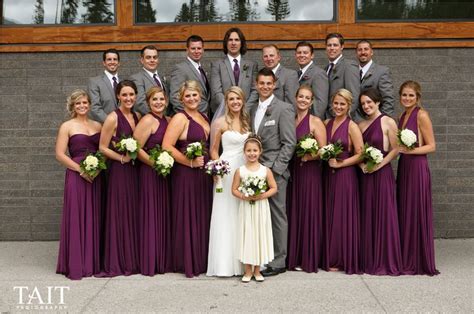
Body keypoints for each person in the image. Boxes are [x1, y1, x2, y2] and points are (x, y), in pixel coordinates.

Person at [247, 68, 296, 276]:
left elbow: (289, 143)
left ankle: (279, 261)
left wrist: (274, 171)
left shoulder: (283, 108)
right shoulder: (251, 109)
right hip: (253, 170)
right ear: (256, 85)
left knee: (277, 215)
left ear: (274, 84)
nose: (265, 87)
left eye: (269, 83)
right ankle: (260, 257)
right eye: (261, 83)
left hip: (274, 172)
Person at [162, 80, 213, 278]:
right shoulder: (179, 118)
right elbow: (167, 146)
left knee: (202, 212)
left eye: (195, 95)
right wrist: (188, 162)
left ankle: (201, 258)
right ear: (181, 99)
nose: (192, 99)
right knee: (188, 213)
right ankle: (188, 260)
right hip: (186, 173)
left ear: (200, 96)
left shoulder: (203, 116)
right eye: (187, 96)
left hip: (203, 174)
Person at [55, 89, 102, 280]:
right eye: (78, 103)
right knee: (78, 215)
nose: (82, 106)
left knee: (94, 215)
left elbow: (103, 150)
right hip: (77, 174)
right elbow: (59, 154)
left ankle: (93, 261)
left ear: (90, 104)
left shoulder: (98, 125)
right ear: (72, 106)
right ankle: (77, 263)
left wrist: (97, 168)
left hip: (97, 175)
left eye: (85, 103)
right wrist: (81, 170)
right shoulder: (67, 126)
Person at [358, 88, 403, 275]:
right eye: (363, 103)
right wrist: (362, 164)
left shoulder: (387, 121)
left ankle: (385, 259)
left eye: (369, 102)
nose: (366, 106)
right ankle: (368, 258)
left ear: (377, 102)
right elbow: (359, 151)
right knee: (367, 214)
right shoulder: (360, 125)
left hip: (382, 174)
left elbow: (396, 148)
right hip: (365, 175)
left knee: (383, 214)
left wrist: (380, 164)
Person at [207, 86, 250, 277]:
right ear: (226, 101)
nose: (235, 102)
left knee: (243, 214)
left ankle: (244, 262)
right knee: (226, 214)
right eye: (231, 99)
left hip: (246, 170)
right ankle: (225, 263)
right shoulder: (220, 122)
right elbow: (214, 149)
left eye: (238, 99)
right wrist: (217, 167)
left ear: (242, 101)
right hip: (227, 170)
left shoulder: (247, 122)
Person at [397, 81, 439, 276]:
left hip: (417, 167)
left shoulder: (421, 115)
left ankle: (418, 259)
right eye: (404, 95)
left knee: (415, 209)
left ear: (418, 97)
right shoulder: (401, 116)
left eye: (411, 96)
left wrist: (410, 151)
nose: (407, 99)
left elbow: (431, 146)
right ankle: (406, 256)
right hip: (404, 167)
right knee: (405, 210)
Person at [99, 80, 141, 276]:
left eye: (131, 94)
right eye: (124, 95)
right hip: (119, 171)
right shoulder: (112, 118)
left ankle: (133, 257)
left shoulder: (138, 116)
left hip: (136, 170)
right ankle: (119, 259)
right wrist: (122, 158)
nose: (128, 98)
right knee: (121, 212)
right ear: (118, 96)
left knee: (134, 211)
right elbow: (103, 147)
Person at [287, 85, 327, 273]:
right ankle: (294, 256)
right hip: (293, 172)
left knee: (309, 211)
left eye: (307, 98)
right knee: (295, 211)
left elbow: (324, 149)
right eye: (300, 96)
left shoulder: (316, 121)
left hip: (310, 173)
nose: (303, 100)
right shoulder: (291, 119)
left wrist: (309, 156)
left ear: (311, 102)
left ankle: (308, 258)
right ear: (296, 99)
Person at [323, 88, 363, 274]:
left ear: (348, 106)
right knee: (330, 215)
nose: (338, 107)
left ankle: (343, 257)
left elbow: (361, 154)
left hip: (345, 176)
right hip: (328, 176)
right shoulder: (326, 123)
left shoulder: (351, 126)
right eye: (336, 103)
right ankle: (331, 256)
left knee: (342, 216)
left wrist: (341, 164)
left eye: (342, 104)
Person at [133, 86, 172, 276]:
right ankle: (149, 259)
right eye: (154, 100)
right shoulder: (147, 120)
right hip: (149, 173)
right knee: (150, 214)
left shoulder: (168, 120)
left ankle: (161, 258)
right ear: (148, 102)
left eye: (161, 99)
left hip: (164, 175)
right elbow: (136, 148)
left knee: (161, 213)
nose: (158, 103)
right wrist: (155, 163)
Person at [232, 135, 277, 282]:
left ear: (260, 152)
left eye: (255, 150)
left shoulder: (265, 170)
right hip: (246, 208)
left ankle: (257, 270)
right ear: (244, 152)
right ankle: (247, 271)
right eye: (249, 150)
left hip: (260, 208)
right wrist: (245, 196)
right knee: (247, 235)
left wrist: (262, 195)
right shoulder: (240, 171)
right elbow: (234, 190)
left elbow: (273, 188)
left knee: (259, 236)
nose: (252, 153)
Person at [210, 27, 258, 114]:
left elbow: (255, 91)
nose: (233, 43)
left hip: (246, 114)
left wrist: (244, 109)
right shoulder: (217, 65)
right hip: (224, 114)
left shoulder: (252, 65)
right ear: (226, 43)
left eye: (237, 40)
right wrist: (230, 108)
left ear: (241, 43)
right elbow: (216, 92)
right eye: (230, 40)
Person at [169, 35, 210, 115]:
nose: (196, 51)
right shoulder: (180, 68)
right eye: (193, 48)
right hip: (191, 119)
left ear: (203, 50)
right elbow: (175, 97)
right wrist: (190, 115)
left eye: (199, 48)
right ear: (187, 50)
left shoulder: (200, 69)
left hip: (204, 116)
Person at [325, 33, 361, 121]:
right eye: (329, 45)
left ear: (342, 47)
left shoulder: (349, 66)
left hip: (343, 120)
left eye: (335, 45)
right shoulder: (326, 68)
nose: (332, 48)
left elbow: (354, 97)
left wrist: (341, 119)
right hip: (329, 119)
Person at [356, 40, 395, 117]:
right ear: (356, 53)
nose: (363, 52)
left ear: (371, 52)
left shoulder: (382, 72)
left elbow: (388, 99)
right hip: (355, 121)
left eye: (366, 49)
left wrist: (381, 121)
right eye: (360, 50)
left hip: (374, 120)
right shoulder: (352, 71)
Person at [295, 41, 329, 119]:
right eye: (299, 53)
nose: (302, 55)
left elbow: (320, 104)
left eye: (305, 53)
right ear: (295, 55)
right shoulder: (296, 74)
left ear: (312, 55)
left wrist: (311, 123)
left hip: (310, 122)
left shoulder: (319, 74)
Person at [131, 45, 168, 116]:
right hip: (149, 120)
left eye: (155, 57)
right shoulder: (137, 78)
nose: (152, 60)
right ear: (142, 60)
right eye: (148, 57)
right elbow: (140, 103)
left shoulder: (162, 78)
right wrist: (157, 117)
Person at [88, 48, 121, 123]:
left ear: (119, 63)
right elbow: (95, 108)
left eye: (115, 59)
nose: (112, 62)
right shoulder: (94, 82)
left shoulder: (124, 82)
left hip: (124, 127)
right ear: (104, 63)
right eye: (109, 59)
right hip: (104, 126)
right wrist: (112, 123)